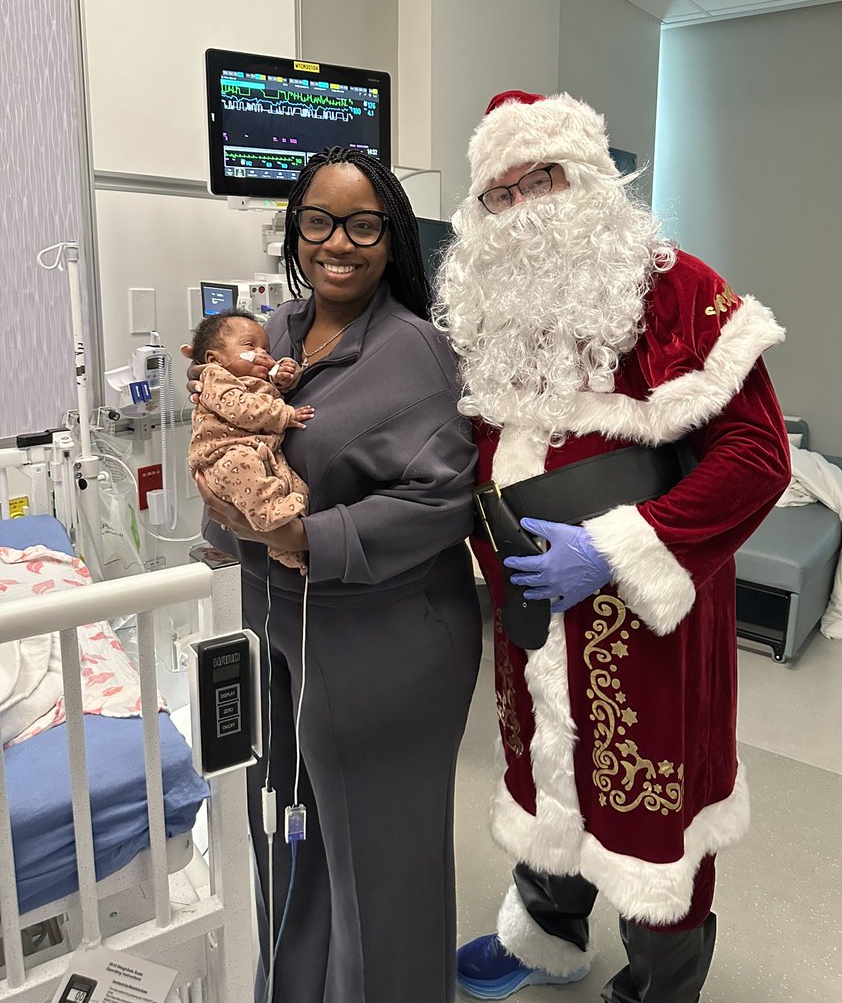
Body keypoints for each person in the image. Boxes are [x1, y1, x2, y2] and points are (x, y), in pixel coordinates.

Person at [433, 90, 791, 1002]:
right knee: (546, 783)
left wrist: (618, 548)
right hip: (533, 613)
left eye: (541, 180)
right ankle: (545, 938)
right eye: (500, 194)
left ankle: (658, 988)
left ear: (588, 178)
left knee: (654, 823)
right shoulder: (487, 315)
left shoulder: (676, 290)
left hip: (650, 629)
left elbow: (758, 457)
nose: (522, 209)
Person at [187, 148, 482, 1003]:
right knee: (282, 840)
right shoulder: (271, 333)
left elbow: (442, 501)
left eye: (361, 225)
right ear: (296, 231)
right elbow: (227, 438)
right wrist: (223, 520)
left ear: (392, 237)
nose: (337, 243)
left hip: (384, 637)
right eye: (318, 221)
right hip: (272, 621)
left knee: (379, 870)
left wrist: (305, 535)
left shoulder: (418, 354)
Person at [187, 310, 314, 570]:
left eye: (267, 350)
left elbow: (266, 390)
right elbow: (242, 409)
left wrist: (284, 376)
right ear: (214, 360)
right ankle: (268, 516)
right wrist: (285, 414)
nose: (263, 354)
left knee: (294, 485)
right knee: (243, 464)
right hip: (224, 457)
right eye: (250, 346)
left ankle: (286, 546)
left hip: (262, 452)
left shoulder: (254, 379)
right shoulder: (216, 377)